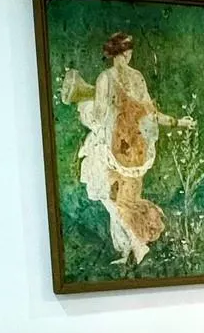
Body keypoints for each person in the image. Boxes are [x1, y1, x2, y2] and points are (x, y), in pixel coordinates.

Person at [62, 32, 195, 267]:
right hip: (136, 150)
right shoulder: (138, 78)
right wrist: (179, 122)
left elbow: (99, 116)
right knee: (123, 198)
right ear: (126, 53)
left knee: (114, 198)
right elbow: (152, 114)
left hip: (115, 147)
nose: (129, 56)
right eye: (129, 52)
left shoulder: (105, 77)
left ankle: (137, 245)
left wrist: (86, 106)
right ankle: (129, 250)